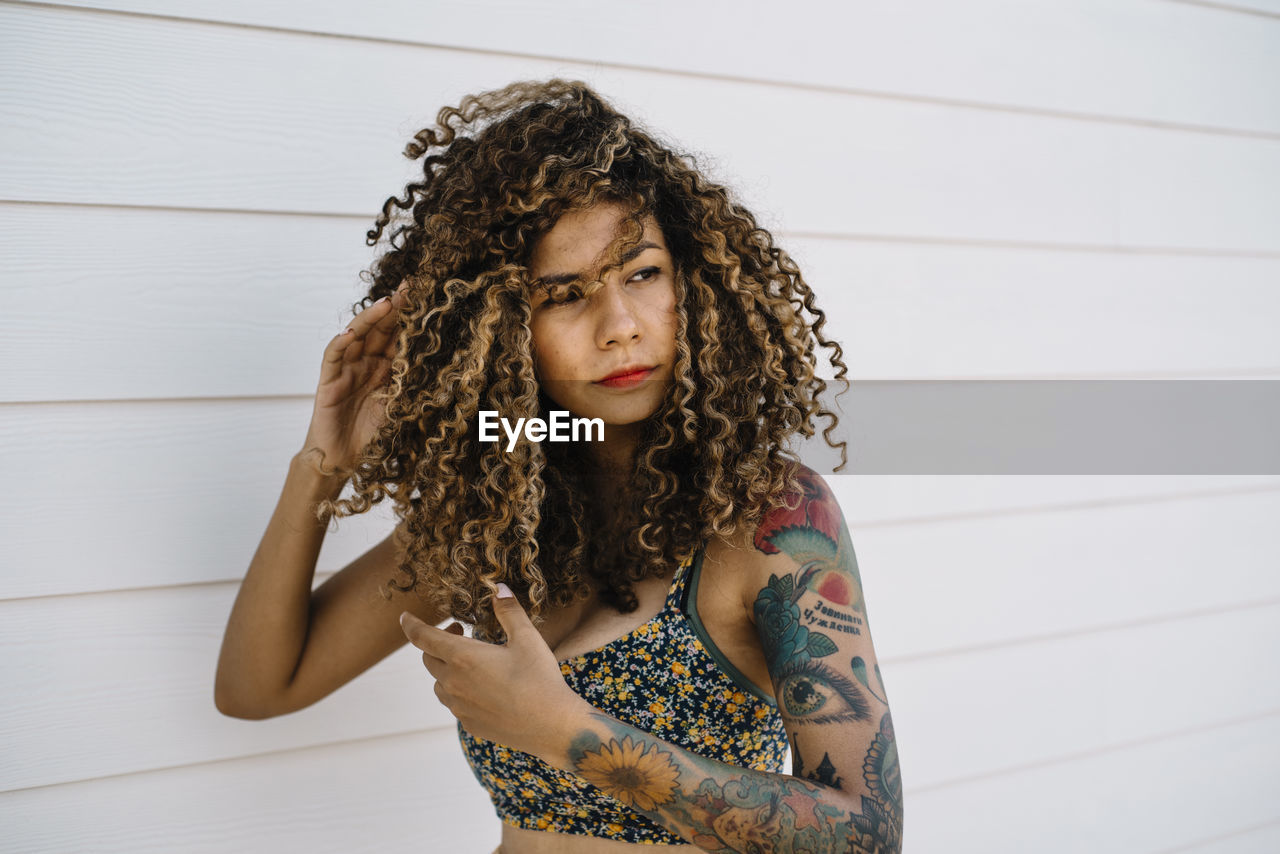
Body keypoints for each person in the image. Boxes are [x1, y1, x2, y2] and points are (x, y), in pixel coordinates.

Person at [215, 79, 902, 854]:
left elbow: (867, 836)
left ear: (694, 282)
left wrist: (567, 730)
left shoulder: (761, 517)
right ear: (501, 331)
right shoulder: (491, 519)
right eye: (565, 295)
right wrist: (321, 465)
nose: (618, 328)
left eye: (642, 274)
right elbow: (256, 688)